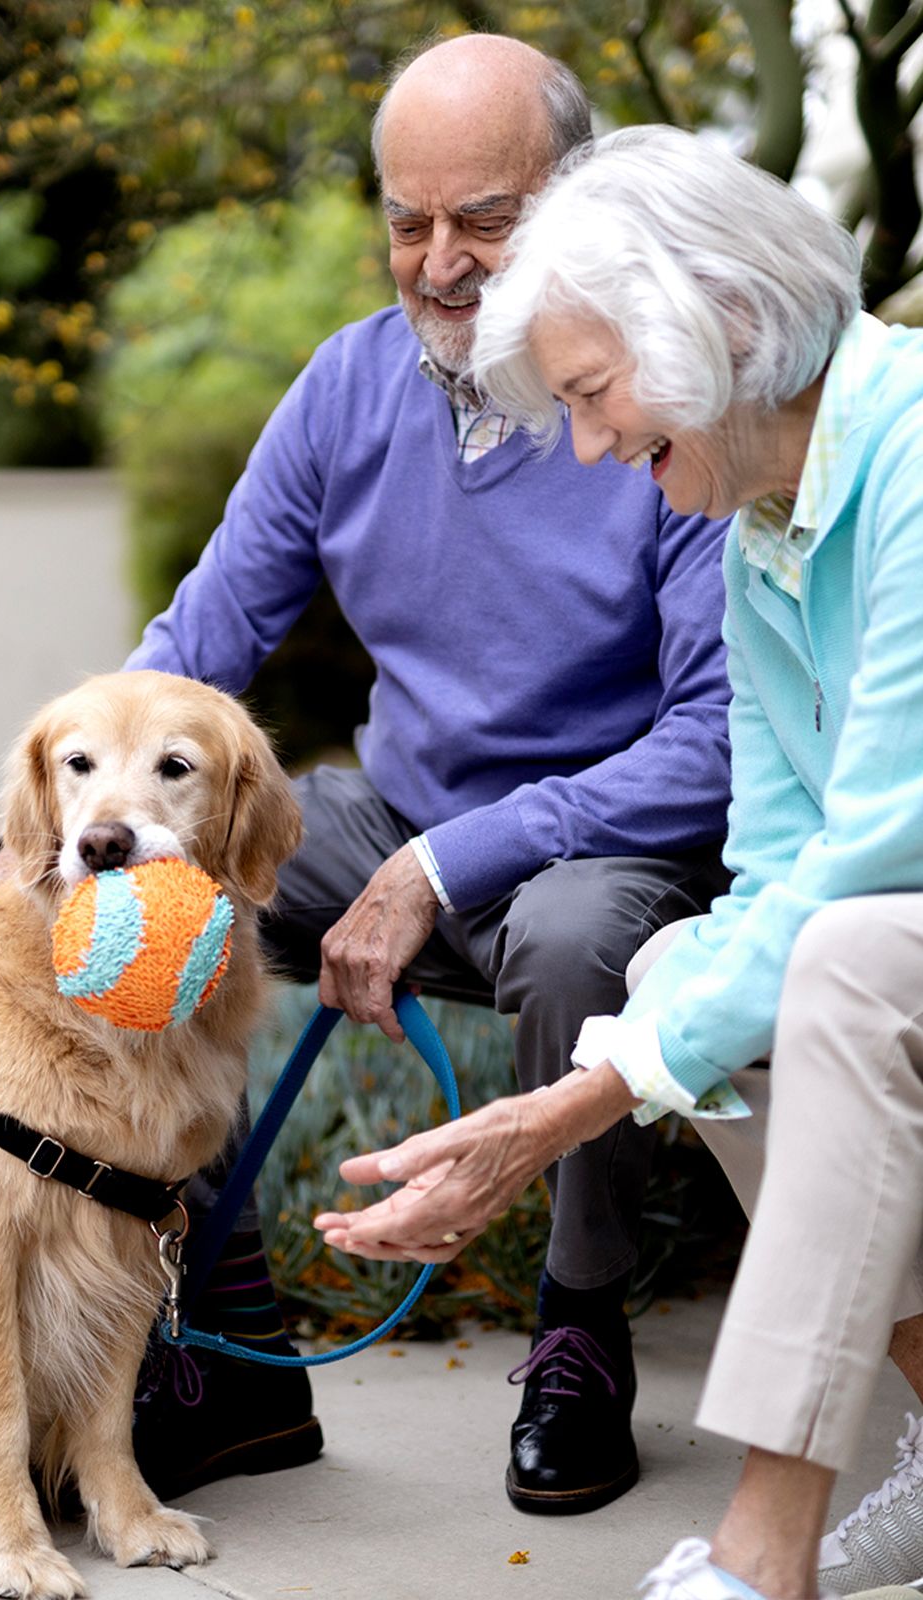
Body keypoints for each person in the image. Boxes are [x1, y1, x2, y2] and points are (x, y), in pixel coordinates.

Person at [313, 124, 923, 1600]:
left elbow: (875, 856)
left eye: (593, 396)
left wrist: (562, 1108)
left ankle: (760, 1553)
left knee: (827, 961)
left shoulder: (912, 451)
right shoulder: (760, 531)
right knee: (678, 962)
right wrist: (600, 1078)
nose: (589, 447)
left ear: (721, 325)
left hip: (892, 925)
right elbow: (772, 862)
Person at [125, 36, 733, 1512]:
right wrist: (74, 833)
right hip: (389, 814)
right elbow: (192, 657)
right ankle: (222, 1342)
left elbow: (716, 742)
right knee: (152, 874)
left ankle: (580, 1334)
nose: (442, 263)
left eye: (486, 219)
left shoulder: (665, 399)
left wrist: (443, 866)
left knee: (585, 938)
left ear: (578, 205)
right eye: (411, 221)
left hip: (604, 844)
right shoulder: (345, 387)